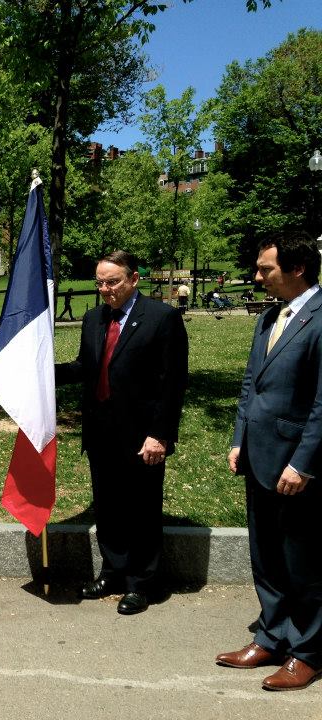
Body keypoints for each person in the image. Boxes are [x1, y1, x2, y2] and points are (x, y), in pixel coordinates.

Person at [55, 251, 188, 615]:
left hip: (142, 435)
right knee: (109, 509)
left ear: (133, 279)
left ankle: (140, 584)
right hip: (101, 433)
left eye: (112, 281)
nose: (105, 289)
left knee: (142, 511)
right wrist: (43, 373)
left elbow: (172, 384)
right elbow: (87, 366)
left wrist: (160, 434)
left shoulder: (162, 318)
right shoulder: (93, 318)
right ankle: (112, 572)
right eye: (99, 282)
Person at [217, 232, 322, 691]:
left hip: (296, 467)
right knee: (267, 558)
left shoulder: (319, 319)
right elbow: (250, 385)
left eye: (266, 269)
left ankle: (310, 651)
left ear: (298, 268)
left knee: (303, 562)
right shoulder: (269, 318)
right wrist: (239, 438)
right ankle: (273, 636)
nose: (257, 276)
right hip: (258, 458)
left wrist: (304, 462)